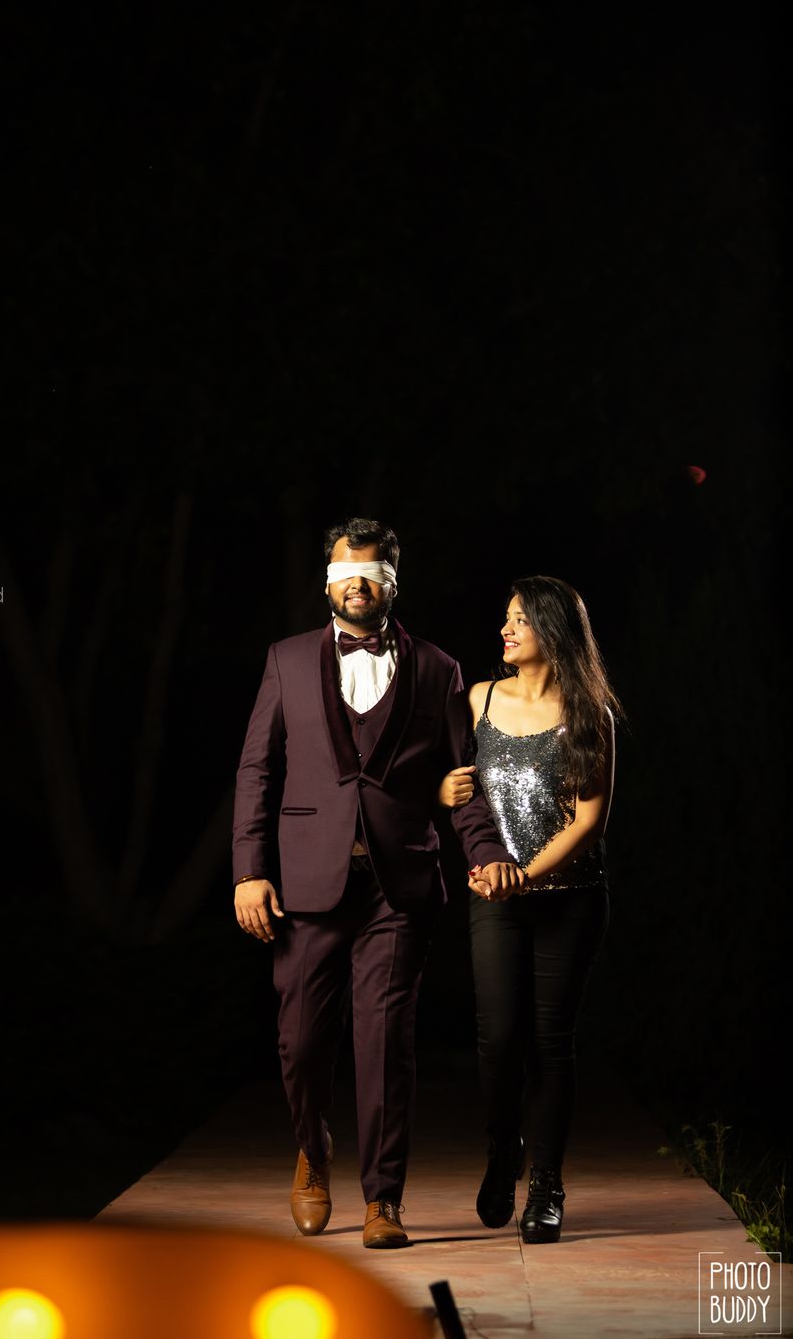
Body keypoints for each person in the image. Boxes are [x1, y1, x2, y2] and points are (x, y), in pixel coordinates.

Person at [232, 518, 520, 1249]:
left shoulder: (439, 669)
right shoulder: (286, 660)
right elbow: (257, 770)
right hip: (306, 882)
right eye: (343, 572)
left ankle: (383, 1199)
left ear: (393, 580)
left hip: (401, 885)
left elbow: (463, 780)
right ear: (327, 581)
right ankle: (313, 1148)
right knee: (300, 1042)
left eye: (371, 572)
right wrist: (249, 871)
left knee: (386, 1043)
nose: (356, 583)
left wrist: (484, 852)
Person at [441, 575, 620, 1244]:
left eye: (519, 619)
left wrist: (524, 876)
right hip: (495, 899)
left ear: (553, 629)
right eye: (505, 618)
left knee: (551, 1043)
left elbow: (589, 821)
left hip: (570, 900)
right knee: (497, 1038)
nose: (505, 630)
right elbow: (455, 786)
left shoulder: (590, 712)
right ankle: (502, 1149)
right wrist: (443, 788)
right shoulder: (478, 699)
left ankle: (547, 1184)